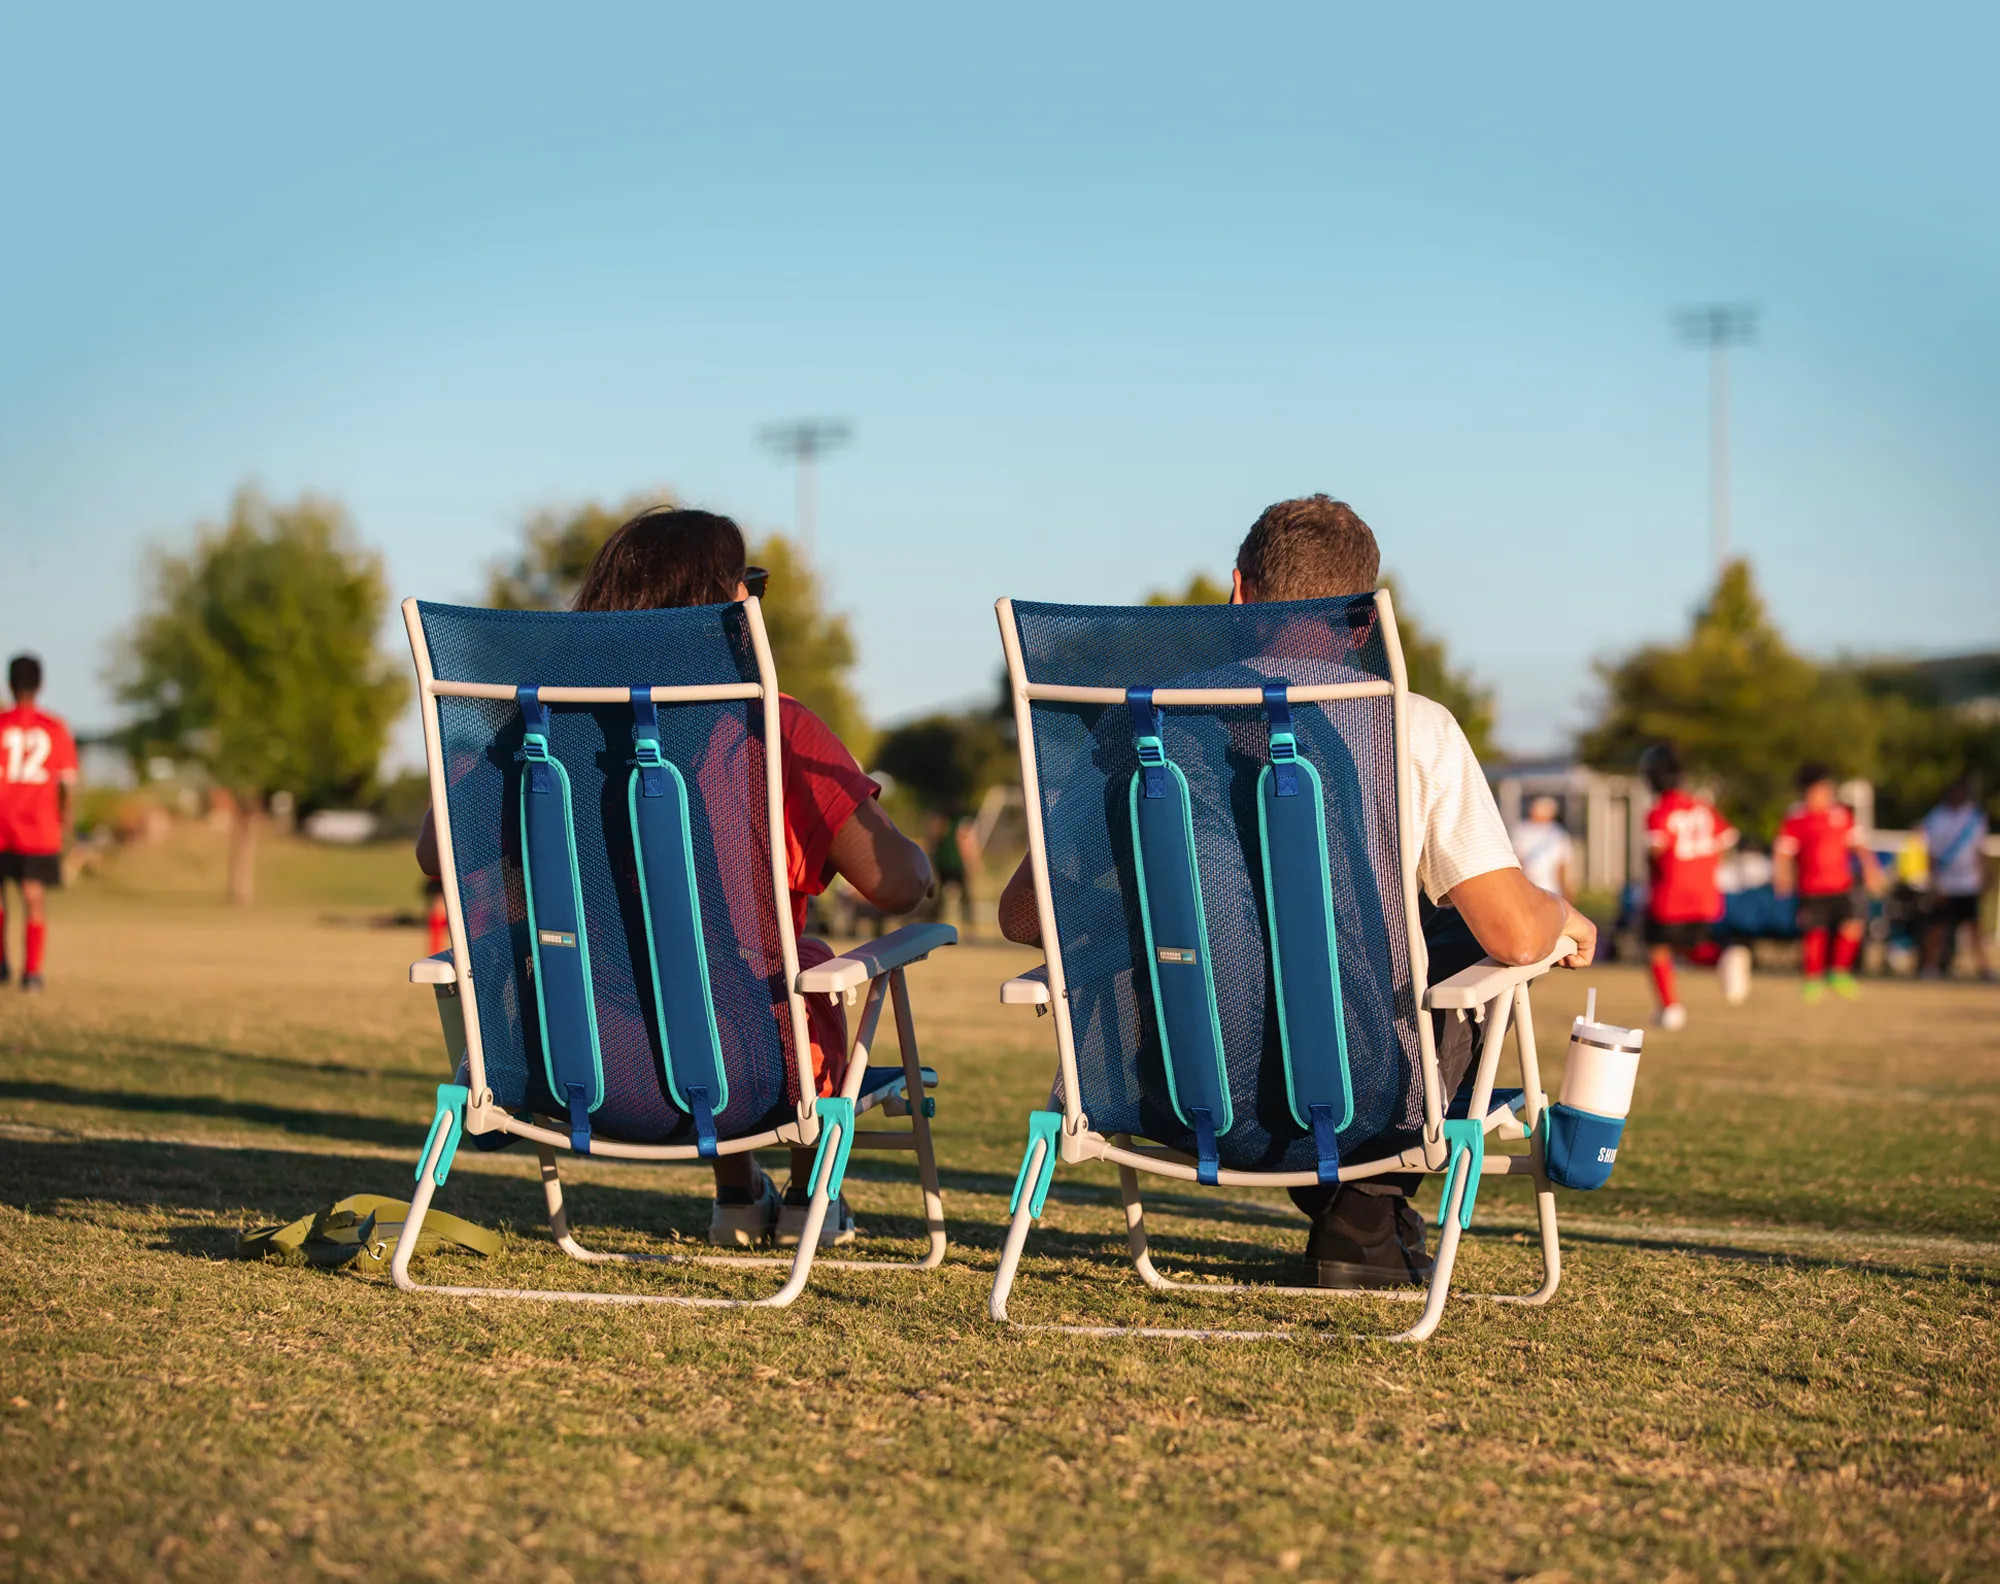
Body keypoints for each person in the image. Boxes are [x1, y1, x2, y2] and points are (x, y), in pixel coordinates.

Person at [996, 495, 1597, 1291]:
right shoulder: (1410, 727)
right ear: (1360, 621)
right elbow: (1516, 938)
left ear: (1237, 593)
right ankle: (1364, 1215)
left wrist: (1170, 918)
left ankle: (1363, 1220)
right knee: (1450, 939)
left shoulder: (1139, 729)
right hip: (1361, 1103)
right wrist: (1563, 913)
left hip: (1178, 1095)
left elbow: (1023, 915)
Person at [415, 509, 933, 1247]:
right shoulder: (771, 728)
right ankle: (806, 1190)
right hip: (749, 1076)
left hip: (577, 1065)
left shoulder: (537, 740)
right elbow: (894, 886)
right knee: (790, 970)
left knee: (703, 973)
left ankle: (737, 1198)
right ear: (721, 608)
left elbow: (440, 850)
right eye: (749, 584)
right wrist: (924, 870)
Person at [1639, 743, 1737, 1030]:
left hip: (1670, 892)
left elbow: (1656, 852)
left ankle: (1671, 1008)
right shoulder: (1703, 807)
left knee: (1657, 948)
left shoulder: (1659, 812)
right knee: (1689, 946)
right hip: (1706, 893)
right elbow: (1726, 839)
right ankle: (1722, 959)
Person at [0, 655, 79, 994]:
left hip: (1, 823)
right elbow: (66, 783)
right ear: (41, 684)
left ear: (10, 684)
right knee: (33, 896)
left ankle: (2, 964)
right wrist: (64, 819)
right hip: (39, 828)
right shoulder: (55, 728)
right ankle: (32, 973)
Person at [1774, 763, 1882, 1002]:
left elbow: (1859, 846)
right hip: (1811, 888)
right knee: (1815, 932)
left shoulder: (1841, 815)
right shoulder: (1796, 818)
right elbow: (1784, 851)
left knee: (1852, 925)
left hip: (1841, 885)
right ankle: (1812, 979)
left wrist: (1871, 870)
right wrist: (1782, 876)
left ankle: (1839, 973)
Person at [1919, 777, 1992, 979]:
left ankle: (1983, 967)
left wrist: (1985, 874)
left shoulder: (1974, 817)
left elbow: (1980, 849)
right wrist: (1934, 882)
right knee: (1938, 927)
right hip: (1946, 883)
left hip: (1969, 881)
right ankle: (1929, 967)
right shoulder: (1936, 817)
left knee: (1975, 926)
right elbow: (1930, 854)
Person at [1510, 794, 1575, 901]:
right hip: (1527, 885)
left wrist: (1565, 888)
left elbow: (1562, 864)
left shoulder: (1558, 832)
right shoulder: (1522, 830)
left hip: (1551, 888)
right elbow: (1518, 859)